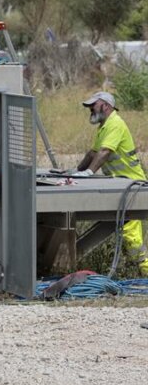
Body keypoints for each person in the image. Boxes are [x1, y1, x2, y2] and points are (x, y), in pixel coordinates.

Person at [75, 91, 148, 275]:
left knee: (130, 233)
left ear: (106, 106)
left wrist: (89, 173)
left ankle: (145, 271)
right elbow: (93, 153)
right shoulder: (104, 127)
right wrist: (77, 172)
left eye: (94, 105)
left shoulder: (115, 124)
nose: (90, 109)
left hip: (132, 184)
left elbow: (104, 152)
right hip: (120, 183)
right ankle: (137, 269)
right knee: (126, 231)